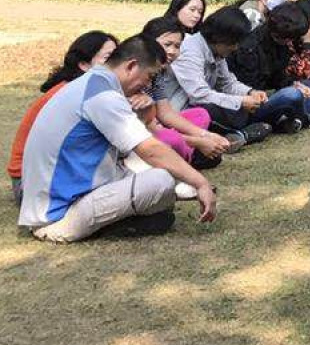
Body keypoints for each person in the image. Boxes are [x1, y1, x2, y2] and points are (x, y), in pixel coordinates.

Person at [18, 35, 218, 242]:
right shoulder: (103, 96)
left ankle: (131, 215)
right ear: (131, 66)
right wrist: (201, 183)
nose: (148, 85)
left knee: (158, 171)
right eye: (149, 77)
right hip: (58, 216)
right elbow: (150, 149)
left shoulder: (93, 83)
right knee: (161, 180)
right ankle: (116, 222)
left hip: (63, 195)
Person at [170, 5, 310, 138]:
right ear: (221, 38)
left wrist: (250, 92)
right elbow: (199, 95)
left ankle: (258, 125)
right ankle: (252, 129)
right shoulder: (191, 52)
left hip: (219, 103)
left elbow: (227, 83)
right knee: (290, 95)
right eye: (234, 43)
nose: (235, 48)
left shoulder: (216, 50)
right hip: (185, 110)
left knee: (303, 90)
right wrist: (240, 101)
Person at [7, 31, 116, 201]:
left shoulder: (83, 89)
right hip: (31, 184)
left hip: (49, 175)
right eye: (109, 57)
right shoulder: (74, 94)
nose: (117, 62)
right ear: (84, 64)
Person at [133, 16, 234, 170]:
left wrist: (205, 135)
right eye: (167, 44)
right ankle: (185, 159)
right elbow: (149, 128)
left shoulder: (157, 73)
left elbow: (166, 113)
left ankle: (184, 153)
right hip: (143, 133)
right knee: (171, 138)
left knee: (200, 114)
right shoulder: (135, 74)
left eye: (177, 46)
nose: (172, 51)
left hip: (158, 127)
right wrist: (198, 141)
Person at [229, 3, 310, 130]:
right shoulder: (249, 49)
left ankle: (290, 117)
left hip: (272, 93)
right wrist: (287, 89)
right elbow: (250, 89)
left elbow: (279, 75)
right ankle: (306, 119)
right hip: (251, 103)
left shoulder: (281, 43)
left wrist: (293, 84)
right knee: (292, 95)